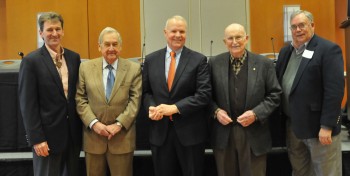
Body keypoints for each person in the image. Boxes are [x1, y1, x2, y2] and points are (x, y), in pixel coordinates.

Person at [275, 10, 344, 176]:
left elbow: (334, 91)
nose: (298, 30)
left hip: (319, 129)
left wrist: (327, 126)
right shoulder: (286, 52)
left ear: (312, 26)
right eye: (294, 27)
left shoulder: (328, 49)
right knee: (300, 172)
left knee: (327, 172)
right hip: (293, 127)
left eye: (302, 25)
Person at [209, 23, 282, 176]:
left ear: (246, 38)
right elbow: (205, 95)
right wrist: (215, 111)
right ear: (224, 41)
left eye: (238, 37)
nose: (234, 41)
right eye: (230, 38)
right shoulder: (214, 63)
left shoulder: (264, 64)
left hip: (254, 134)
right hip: (224, 135)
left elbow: (275, 95)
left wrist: (256, 114)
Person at [142, 15, 211, 176]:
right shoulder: (151, 60)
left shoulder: (198, 60)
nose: (178, 35)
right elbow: (146, 92)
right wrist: (151, 107)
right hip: (160, 134)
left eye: (182, 31)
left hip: (190, 134)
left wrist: (174, 108)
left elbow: (204, 95)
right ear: (165, 33)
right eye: (174, 31)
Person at [18, 12, 82, 175]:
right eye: (49, 30)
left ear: (63, 31)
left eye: (58, 29)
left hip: (72, 137)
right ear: (41, 33)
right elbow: (28, 105)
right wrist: (37, 139)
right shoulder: (31, 61)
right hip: (46, 139)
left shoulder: (74, 58)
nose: (54, 33)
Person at [75, 27, 142, 176]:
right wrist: (94, 124)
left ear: (120, 46)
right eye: (107, 44)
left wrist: (118, 125)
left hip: (122, 139)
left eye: (115, 44)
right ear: (99, 47)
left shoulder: (134, 68)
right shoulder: (85, 68)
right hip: (94, 138)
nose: (111, 48)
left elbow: (135, 101)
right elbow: (80, 99)